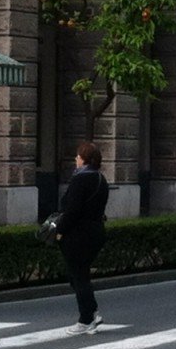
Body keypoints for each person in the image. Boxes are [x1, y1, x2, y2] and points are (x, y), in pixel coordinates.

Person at [57, 141, 110, 335]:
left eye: (78, 156)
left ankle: (85, 319)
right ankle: (92, 312)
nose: (76, 159)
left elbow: (72, 210)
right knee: (80, 275)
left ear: (84, 159)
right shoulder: (100, 178)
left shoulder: (80, 179)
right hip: (96, 231)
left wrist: (59, 230)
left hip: (79, 234)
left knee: (78, 276)